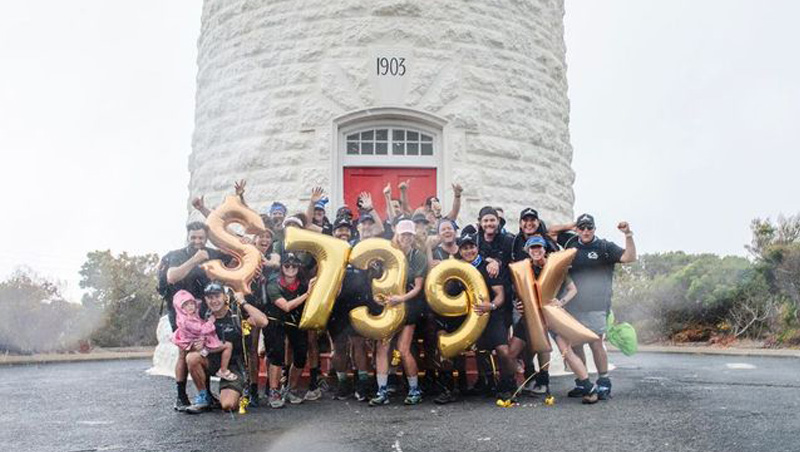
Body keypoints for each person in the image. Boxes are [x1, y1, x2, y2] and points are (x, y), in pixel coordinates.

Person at [556, 213, 637, 400]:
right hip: (573, 306)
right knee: (576, 345)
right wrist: (570, 225)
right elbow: (549, 230)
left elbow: (629, 257)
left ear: (594, 229)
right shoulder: (569, 244)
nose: (585, 231)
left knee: (595, 343)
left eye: (589, 227)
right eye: (582, 227)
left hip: (597, 305)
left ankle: (603, 382)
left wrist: (628, 235)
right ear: (577, 229)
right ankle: (583, 383)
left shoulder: (604, 247)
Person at [157, 221, 231, 412]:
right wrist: (195, 260)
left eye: (201, 238)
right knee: (185, 351)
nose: (197, 241)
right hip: (181, 313)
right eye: (193, 237)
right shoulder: (178, 255)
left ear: (206, 238)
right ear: (188, 237)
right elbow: (172, 277)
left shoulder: (211, 253)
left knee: (201, 348)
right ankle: (181, 396)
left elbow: (233, 257)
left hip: (202, 310)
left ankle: (204, 394)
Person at [184, 282, 268, 414]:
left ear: (224, 297)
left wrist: (243, 302)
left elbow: (263, 321)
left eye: (217, 296)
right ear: (205, 299)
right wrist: (198, 345)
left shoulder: (236, 315)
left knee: (228, 406)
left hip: (234, 365)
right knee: (191, 357)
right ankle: (204, 397)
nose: (214, 301)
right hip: (213, 361)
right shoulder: (203, 316)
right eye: (210, 297)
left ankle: (237, 390)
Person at [370, 219, 428, 406]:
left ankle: (414, 389)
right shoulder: (389, 252)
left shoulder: (418, 256)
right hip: (389, 306)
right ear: (397, 234)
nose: (406, 237)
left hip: (409, 307)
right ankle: (382, 390)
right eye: (403, 234)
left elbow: (418, 287)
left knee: (403, 349)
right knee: (382, 347)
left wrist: (400, 299)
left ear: (413, 236)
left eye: (409, 234)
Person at [507, 236, 573, 396]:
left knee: (543, 346)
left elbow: (573, 289)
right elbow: (515, 292)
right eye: (532, 248)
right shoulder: (524, 269)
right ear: (528, 251)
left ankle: (544, 381)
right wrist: (517, 303)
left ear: (544, 249)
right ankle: (528, 377)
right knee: (513, 351)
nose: (536, 251)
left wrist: (561, 302)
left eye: (539, 248)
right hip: (528, 315)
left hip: (547, 314)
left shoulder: (553, 267)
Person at [456, 231, 517, 400]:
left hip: (494, 315)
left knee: (503, 350)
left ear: (477, 248)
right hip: (473, 317)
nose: (469, 251)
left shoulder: (488, 266)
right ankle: (487, 383)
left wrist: (490, 306)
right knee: (480, 351)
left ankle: (508, 383)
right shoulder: (460, 269)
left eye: (471, 247)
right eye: (465, 248)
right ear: (460, 251)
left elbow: (500, 294)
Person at [263, 252, 315, 408]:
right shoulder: (273, 283)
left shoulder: (304, 282)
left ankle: (290, 389)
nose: (291, 268)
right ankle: (274, 391)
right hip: (276, 320)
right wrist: (307, 294)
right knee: (277, 355)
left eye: (294, 265)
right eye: (287, 265)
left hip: (295, 321)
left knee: (301, 354)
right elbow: (285, 306)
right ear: (281, 267)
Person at [171, 290, 237, 381]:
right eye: (185, 305)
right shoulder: (187, 321)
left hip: (201, 342)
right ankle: (223, 370)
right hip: (201, 344)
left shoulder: (189, 316)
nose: (190, 307)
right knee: (228, 346)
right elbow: (202, 330)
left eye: (191, 304)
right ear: (180, 308)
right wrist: (210, 322)